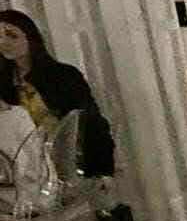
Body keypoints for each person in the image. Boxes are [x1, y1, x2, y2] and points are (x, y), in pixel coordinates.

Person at [0, 9, 115, 177]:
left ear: (30, 38)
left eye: (12, 35)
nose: (3, 42)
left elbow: (91, 122)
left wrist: (104, 171)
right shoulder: (5, 83)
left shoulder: (63, 75)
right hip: (26, 171)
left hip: (70, 164)